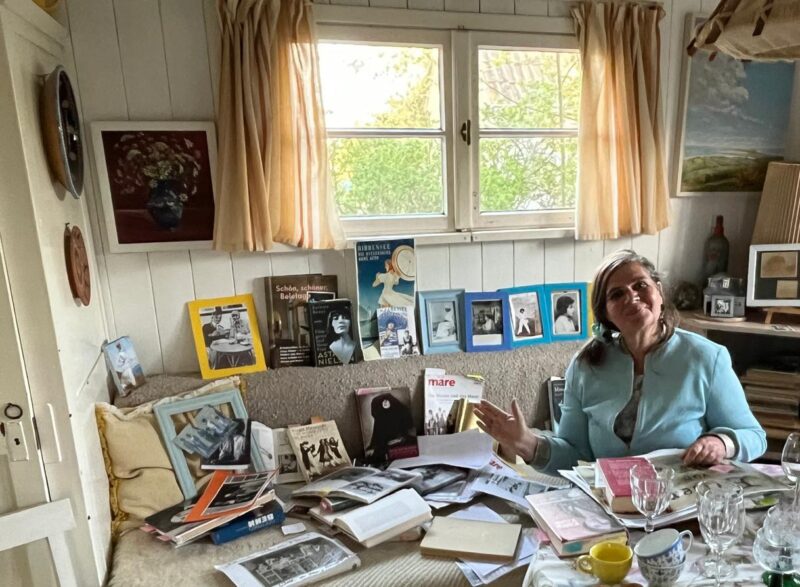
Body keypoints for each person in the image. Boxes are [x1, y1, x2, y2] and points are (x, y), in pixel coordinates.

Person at [475, 250, 766, 476]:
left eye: (640, 285)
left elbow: (754, 436)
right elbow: (574, 455)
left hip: (682, 504)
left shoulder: (706, 357)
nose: (632, 297)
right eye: (617, 294)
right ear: (606, 313)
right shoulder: (585, 365)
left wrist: (720, 443)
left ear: (659, 292)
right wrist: (527, 444)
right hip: (609, 505)